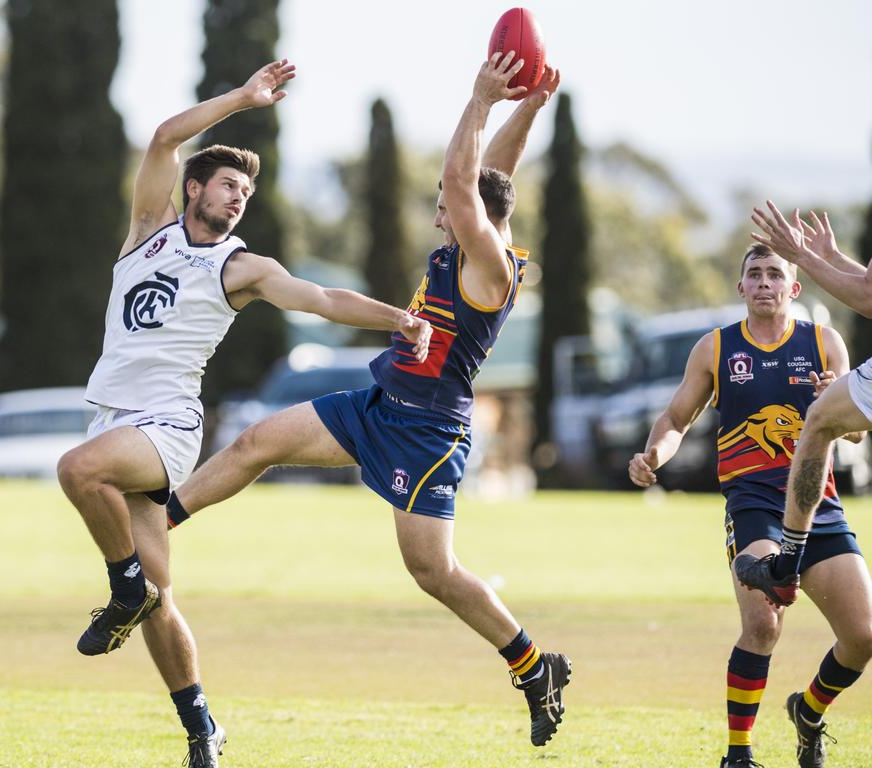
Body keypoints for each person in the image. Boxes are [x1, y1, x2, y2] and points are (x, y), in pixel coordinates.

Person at [164, 53, 570, 750]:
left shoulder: (490, 266)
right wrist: (526, 108)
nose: (440, 207)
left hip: (428, 431)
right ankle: (158, 523)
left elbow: (465, 179)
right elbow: (491, 176)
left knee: (432, 573)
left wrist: (479, 97)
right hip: (379, 403)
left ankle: (536, 666)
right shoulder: (482, 236)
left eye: (451, 201)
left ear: (471, 212)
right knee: (255, 443)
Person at [56, 59, 432, 768]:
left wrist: (397, 319)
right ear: (194, 188)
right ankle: (202, 726)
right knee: (163, 601)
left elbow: (321, 298)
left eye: (248, 192)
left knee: (78, 473)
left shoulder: (240, 267)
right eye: (229, 184)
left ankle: (121, 590)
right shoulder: (147, 231)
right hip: (113, 418)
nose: (239, 198)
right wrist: (243, 100)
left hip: (167, 426)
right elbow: (165, 138)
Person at [628, 241, 871, 768]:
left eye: (775, 275)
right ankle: (739, 754)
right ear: (740, 288)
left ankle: (807, 711)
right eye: (755, 275)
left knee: (864, 635)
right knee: (764, 622)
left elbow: (853, 437)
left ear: (794, 288)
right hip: (754, 502)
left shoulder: (825, 344)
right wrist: (655, 453)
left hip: (819, 504)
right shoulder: (714, 349)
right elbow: (675, 419)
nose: (765, 283)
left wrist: (836, 403)